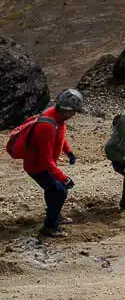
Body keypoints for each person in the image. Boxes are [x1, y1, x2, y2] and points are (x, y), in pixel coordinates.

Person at [19, 89, 84, 238]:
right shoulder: (47, 126)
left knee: (53, 190)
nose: (74, 115)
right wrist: (63, 177)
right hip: (37, 166)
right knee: (59, 190)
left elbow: (60, 136)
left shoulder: (57, 118)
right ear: (67, 110)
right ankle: (50, 226)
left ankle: (54, 215)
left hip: (43, 164)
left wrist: (68, 152)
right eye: (74, 111)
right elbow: (45, 159)